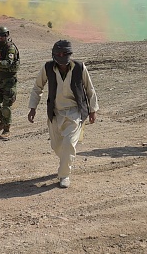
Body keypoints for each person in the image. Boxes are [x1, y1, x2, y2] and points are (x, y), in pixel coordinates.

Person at [27, 40, 98, 188]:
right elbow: (37, 88)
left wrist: (93, 110)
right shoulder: (47, 68)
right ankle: (66, 161)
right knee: (57, 146)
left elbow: (90, 89)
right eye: (58, 54)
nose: (61, 57)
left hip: (75, 112)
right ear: (53, 55)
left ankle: (64, 175)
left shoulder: (79, 67)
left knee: (68, 144)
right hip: (55, 112)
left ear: (69, 54)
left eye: (64, 54)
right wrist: (33, 107)